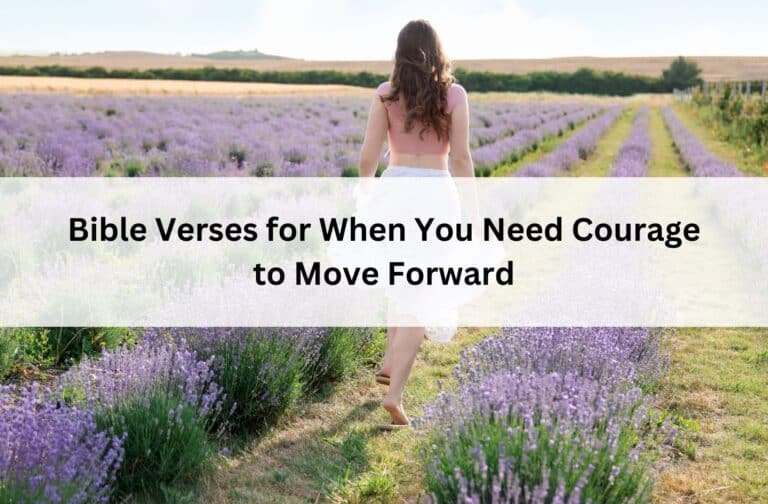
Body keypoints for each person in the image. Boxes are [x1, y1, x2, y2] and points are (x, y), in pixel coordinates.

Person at [357, 19, 474, 429]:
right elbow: (460, 158)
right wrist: (472, 207)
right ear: (437, 52)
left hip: (394, 192)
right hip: (436, 196)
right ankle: (395, 395)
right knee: (421, 293)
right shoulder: (453, 95)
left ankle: (391, 359)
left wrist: (365, 195)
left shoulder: (386, 95)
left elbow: (368, 158)